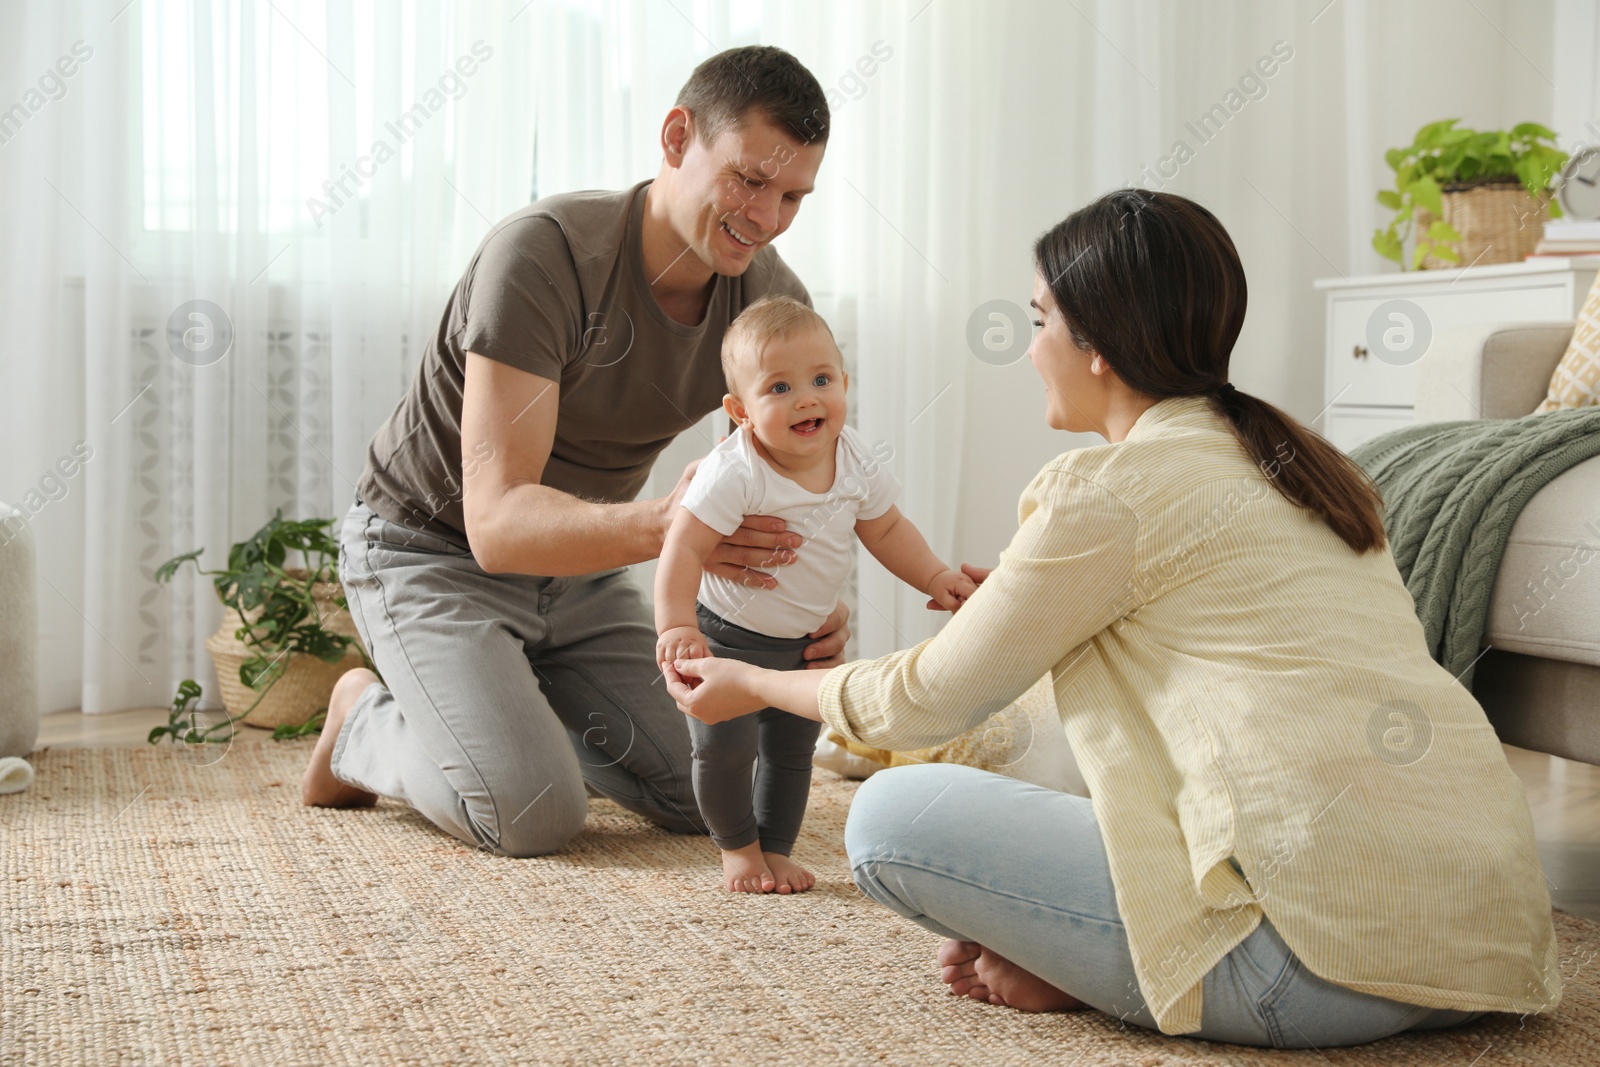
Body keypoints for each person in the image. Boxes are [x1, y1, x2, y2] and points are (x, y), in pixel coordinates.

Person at [665, 190, 1561, 1048]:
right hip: (1484, 954)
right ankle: (1095, 959)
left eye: (1037, 322)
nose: (1027, 349)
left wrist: (749, 680)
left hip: (1306, 970)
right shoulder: (1310, 465)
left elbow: (923, 703)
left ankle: (1122, 970)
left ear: (1097, 346)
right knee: (1066, 740)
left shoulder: (1107, 492)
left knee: (892, 814)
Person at [298, 46, 853, 861]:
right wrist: (672, 524)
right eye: (749, 180)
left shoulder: (769, 305)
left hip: (581, 576)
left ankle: (513, 710)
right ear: (675, 138)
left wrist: (799, 599)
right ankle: (361, 720)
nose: (767, 218)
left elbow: (773, 495)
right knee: (530, 812)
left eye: (794, 196)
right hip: (430, 550)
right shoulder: (544, 257)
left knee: (709, 791)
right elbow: (496, 523)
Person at [654, 295, 975, 894]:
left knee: (791, 753)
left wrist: (934, 575)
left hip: (806, 645)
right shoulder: (737, 470)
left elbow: (886, 530)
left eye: (821, 379)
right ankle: (738, 850)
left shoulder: (853, 457)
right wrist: (676, 625)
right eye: (778, 388)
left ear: (844, 382)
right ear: (739, 410)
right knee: (726, 751)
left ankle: (776, 848)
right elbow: (684, 548)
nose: (806, 398)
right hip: (727, 636)